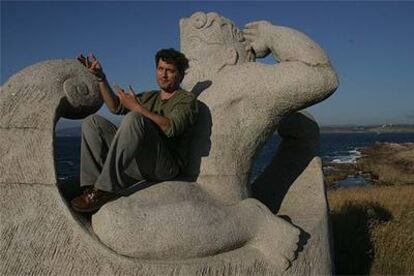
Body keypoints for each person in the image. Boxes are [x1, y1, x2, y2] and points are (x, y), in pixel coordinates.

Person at [70, 48, 198, 213]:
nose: (163, 75)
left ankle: (105, 189)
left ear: (180, 75)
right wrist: (101, 78)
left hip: (167, 167)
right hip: (143, 162)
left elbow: (171, 128)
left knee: (135, 117)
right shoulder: (151, 96)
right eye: (160, 69)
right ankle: (93, 189)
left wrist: (137, 108)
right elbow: (115, 107)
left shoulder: (187, 100)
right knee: (92, 122)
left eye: (170, 71)